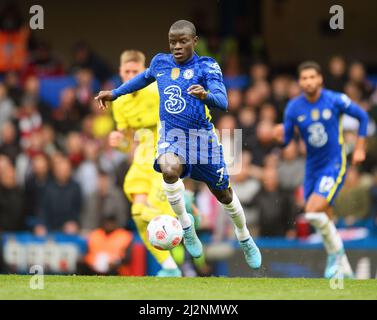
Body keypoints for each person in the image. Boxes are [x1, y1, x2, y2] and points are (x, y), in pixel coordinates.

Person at [95, 20, 261, 270]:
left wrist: (206, 95)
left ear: (194, 41)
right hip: (172, 136)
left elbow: (224, 101)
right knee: (168, 168)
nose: (177, 46)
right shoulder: (160, 63)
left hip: (203, 139)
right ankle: (186, 226)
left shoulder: (206, 66)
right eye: (173, 42)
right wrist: (115, 93)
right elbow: (142, 78)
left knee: (224, 194)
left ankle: (244, 236)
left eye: (183, 41)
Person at [273, 61, 369, 278]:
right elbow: (287, 139)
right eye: (304, 78)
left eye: (311, 77)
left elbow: (362, 117)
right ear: (299, 82)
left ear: (320, 79)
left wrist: (360, 147)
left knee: (314, 209)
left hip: (334, 162)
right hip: (312, 167)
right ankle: (344, 268)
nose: (308, 82)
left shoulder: (335, 100)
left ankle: (334, 256)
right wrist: (278, 136)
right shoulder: (293, 107)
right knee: (322, 215)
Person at [100, 49, 186, 277]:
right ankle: (169, 267)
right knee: (138, 214)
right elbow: (128, 143)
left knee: (151, 212)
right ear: (120, 72)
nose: (130, 76)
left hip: (165, 156)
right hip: (142, 158)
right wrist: (119, 142)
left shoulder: (158, 91)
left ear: (144, 72)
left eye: (135, 71)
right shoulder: (119, 101)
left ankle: (183, 218)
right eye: (126, 71)